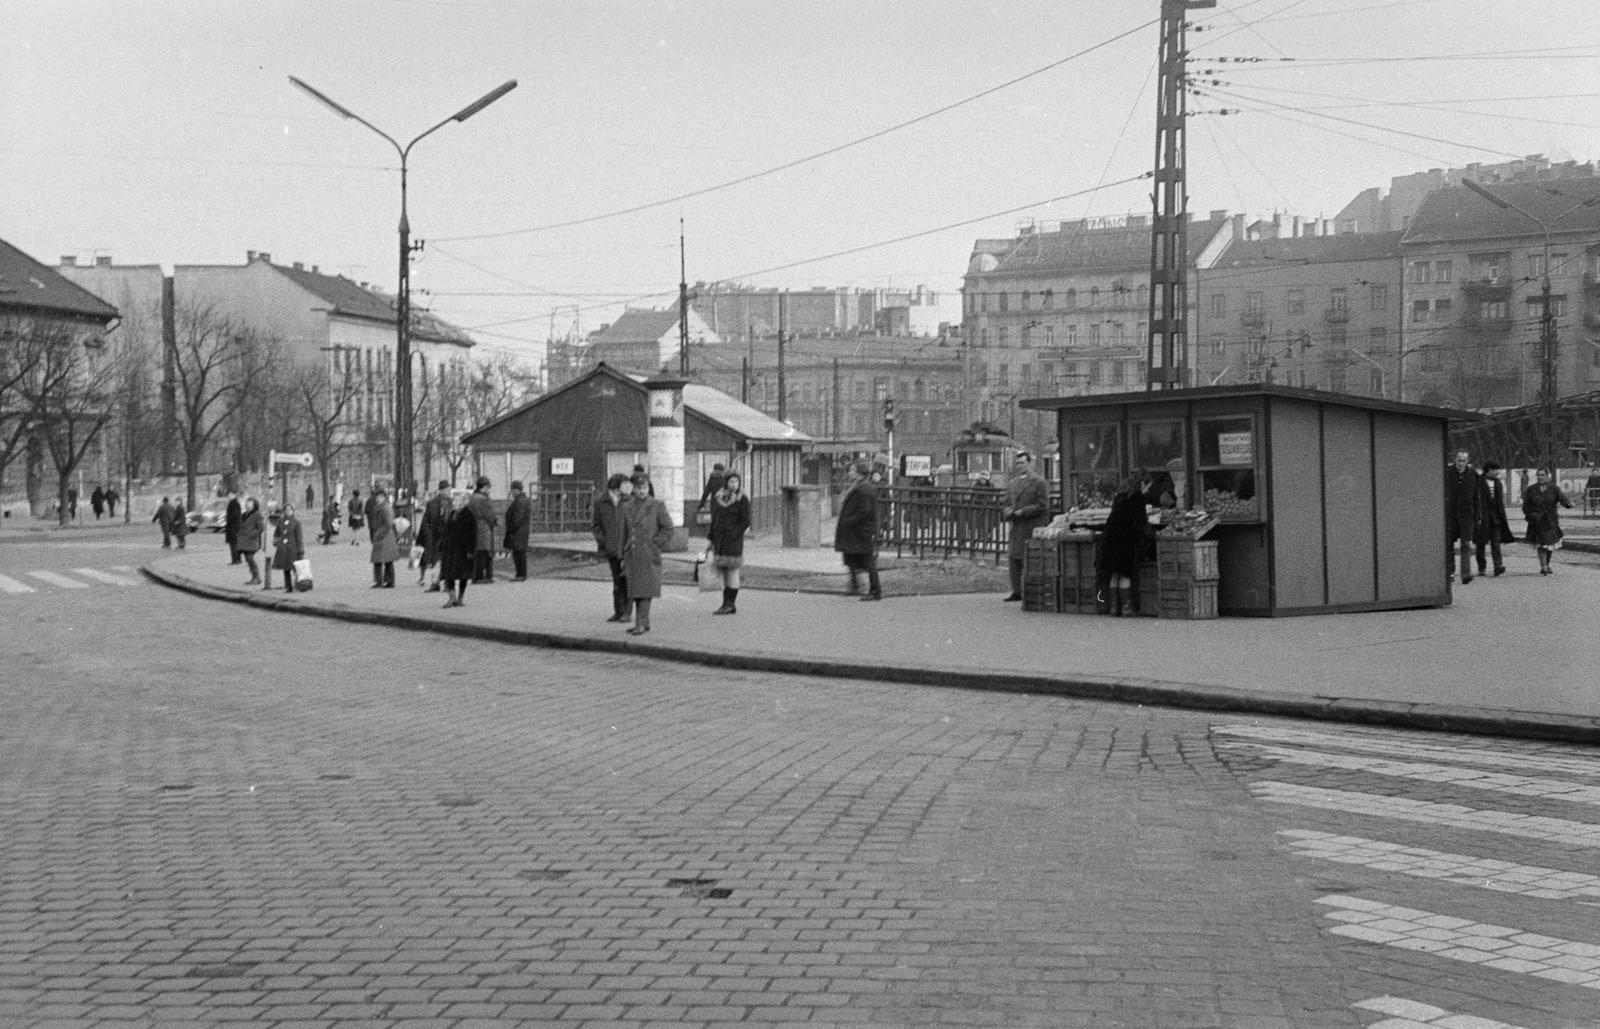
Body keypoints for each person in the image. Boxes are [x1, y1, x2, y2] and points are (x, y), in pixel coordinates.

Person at [620, 472, 674, 634]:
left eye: (644, 487)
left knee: (644, 589)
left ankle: (640, 624)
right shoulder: (627, 507)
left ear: (648, 488)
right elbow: (624, 532)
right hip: (632, 554)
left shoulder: (657, 505)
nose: (642, 491)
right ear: (633, 490)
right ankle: (644, 622)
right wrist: (623, 552)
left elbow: (668, 528)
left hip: (648, 554)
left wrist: (656, 544)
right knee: (635, 589)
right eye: (638, 488)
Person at [1099, 471, 1152, 616]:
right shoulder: (1137, 497)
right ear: (1142, 484)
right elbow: (1139, 521)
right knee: (1125, 574)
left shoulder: (1120, 495)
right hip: (1125, 539)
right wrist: (1149, 533)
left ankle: (1114, 608)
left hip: (1110, 538)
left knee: (1114, 574)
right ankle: (1127, 608)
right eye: (1148, 486)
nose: (1148, 490)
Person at [1000, 451, 1049, 603]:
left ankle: (1031, 590)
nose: (1020, 466)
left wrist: (1024, 511)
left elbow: (1043, 505)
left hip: (1030, 525)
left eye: (1023, 463)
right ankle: (1017, 591)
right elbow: (1007, 502)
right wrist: (1007, 512)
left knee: (1029, 559)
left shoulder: (1039, 482)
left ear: (1030, 463)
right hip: (1016, 526)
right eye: (1018, 463)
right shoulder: (1012, 483)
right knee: (1014, 559)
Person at [833, 461, 881, 601]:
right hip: (857, 531)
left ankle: (875, 591)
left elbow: (864, 511)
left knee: (868, 561)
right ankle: (855, 585)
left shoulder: (864, 489)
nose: (850, 473)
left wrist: (849, 520)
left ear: (860, 474)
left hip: (861, 532)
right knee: (850, 557)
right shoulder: (859, 487)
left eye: (853, 471)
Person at [707, 470, 751, 615]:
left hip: (733, 541)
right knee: (724, 573)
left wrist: (735, 534)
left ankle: (730, 604)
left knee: (732, 571)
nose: (734, 484)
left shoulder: (742, 498)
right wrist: (711, 538)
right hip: (720, 541)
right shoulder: (719, 497)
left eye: (736, 481)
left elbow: (745, 521)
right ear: (726, 482)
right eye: (731, 481)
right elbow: (715, 519)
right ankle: (725, 603)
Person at [592, 473, 634, 622]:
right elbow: (596, 526)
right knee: (617, 581)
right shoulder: (600, 502)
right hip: (611, 548)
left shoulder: (629, 501)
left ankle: (627, 613)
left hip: (628, 548)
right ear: (615, 488)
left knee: (628, 580)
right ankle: (618, 611)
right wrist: (604, 542)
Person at [1522, 466, 1573, 576]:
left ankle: (1547, 564)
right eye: (1538, 475)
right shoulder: (1531, 489)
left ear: (1548, 476)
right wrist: (1529, 515)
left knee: (1550, 544)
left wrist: (1568, 504)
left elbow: (1563, 499)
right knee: (1541, 544)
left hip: (1551, 521)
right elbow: (1525, 505)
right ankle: (1543, 567)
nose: (1540, 477)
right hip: (1537, 521)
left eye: (1542, 475)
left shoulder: (1554, 489)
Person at [1444, 449, 1482, 584]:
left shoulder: (1473, 475)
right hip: (1450, 514)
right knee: (1448, 544)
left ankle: (1465, 574)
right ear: (1455, 459)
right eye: (1459, 460)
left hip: (1467, 514)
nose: (1461, 463)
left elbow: (1477, 496)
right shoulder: (1447, 473)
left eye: (1463, 461)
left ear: (1468, 461)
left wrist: (1478, 514)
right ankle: (1450, 572)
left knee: (1466, 544)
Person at [438, 489, 478, 608]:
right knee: (448, 574)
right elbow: (445, 529)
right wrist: (441, 544)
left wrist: (471, 550)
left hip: (462, 549)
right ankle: (452, 597)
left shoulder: (469, 514)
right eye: (454, 499)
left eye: (457, 499)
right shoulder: (452, 513)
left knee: (462, 575)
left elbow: (473, 534)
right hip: (450, 549)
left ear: (464, 501)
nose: (454, 501)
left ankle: (460, 597)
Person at [1475, 461, 1515, 578]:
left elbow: (1499, 502)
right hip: (1483, 517)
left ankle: (1498, 566)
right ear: (1489, 470)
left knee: (1496, 543)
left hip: (1496, 518)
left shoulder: (1498, 483)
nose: (1498, 472)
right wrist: (1477, 516)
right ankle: (1482, 567)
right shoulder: (1478, 482)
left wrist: (1502, 516)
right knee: (1480, 543)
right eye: (1495, 469)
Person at [418, 480, 452, 589]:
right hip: (443, 536)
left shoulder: (432, 502)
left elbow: (426, 521)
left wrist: (428, 533)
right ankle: (444, 583)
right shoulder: (449, 502)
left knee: (435, 561)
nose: (449, 491)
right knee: (443, 561)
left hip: (434, 536)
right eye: (448, 489)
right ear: (443, 490)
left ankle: (436, 583)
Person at [468, 475, 499, 583]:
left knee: (480, 551)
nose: (489, 490)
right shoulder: (482, 499)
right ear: (484, 487)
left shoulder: (472, 498)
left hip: (475, 527)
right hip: (483, 527)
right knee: (484, 552)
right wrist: (494, 521)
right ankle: (480, 576)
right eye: (488, 487)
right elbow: (489, 514)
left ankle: (483, 575)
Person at [367, 485, 399, 588]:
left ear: (383, 497)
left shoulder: (385, 508)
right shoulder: (382, 507)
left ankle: (385, 581)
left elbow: (389, 523)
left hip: (384, 535)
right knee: (383, 559)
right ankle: (386, 580)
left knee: (383, 559)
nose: (377, 498)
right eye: (376, 496)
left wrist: (379, 534)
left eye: (379, 496)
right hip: (383, 534)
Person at [271, 502, 305, 593]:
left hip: (293, 548)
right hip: (283, 549)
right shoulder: (280, 522)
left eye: (290, 510)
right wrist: (276, 542)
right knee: (286, 569)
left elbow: (299, 537)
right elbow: (277, 534)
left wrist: (300, 550)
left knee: (296, 568)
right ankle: (288, 586)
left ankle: (300, 585)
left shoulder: (296, 522)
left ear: (293, 511)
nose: (288, 511)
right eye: (286, 510)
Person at [504, 480, 532, 581]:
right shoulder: (524, 500)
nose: (511, 492)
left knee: (519, 554)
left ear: (516, 489)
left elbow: (517, 518)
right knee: (520, 553)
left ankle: (520, 574)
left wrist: (510, 529)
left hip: (518, 533)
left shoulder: (519, 501)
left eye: (512, 489)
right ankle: (521, 574)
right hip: (522, 532)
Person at [236, 496, 265, 585]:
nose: (247, 504)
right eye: (247, 502)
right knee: (248, 559)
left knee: (250, 558)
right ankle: (254, 577)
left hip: (252, 541)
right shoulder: (244, 514)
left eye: (250, 503)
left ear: (254, 505)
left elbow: (260, 528)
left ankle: (257, 577)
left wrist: (252, 534)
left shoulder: (257, 515)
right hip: (243, 541)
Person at [224, 492, 242, 564]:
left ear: (234, 495)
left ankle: (235, 560)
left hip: (233, 527)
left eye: (230, 495)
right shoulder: (235, 503)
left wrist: (229, 521)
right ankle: (237, 559)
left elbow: (234, 515)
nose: (228, 496)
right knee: (235, 543)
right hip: (234, 527)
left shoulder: (233, 503)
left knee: (233, 544)